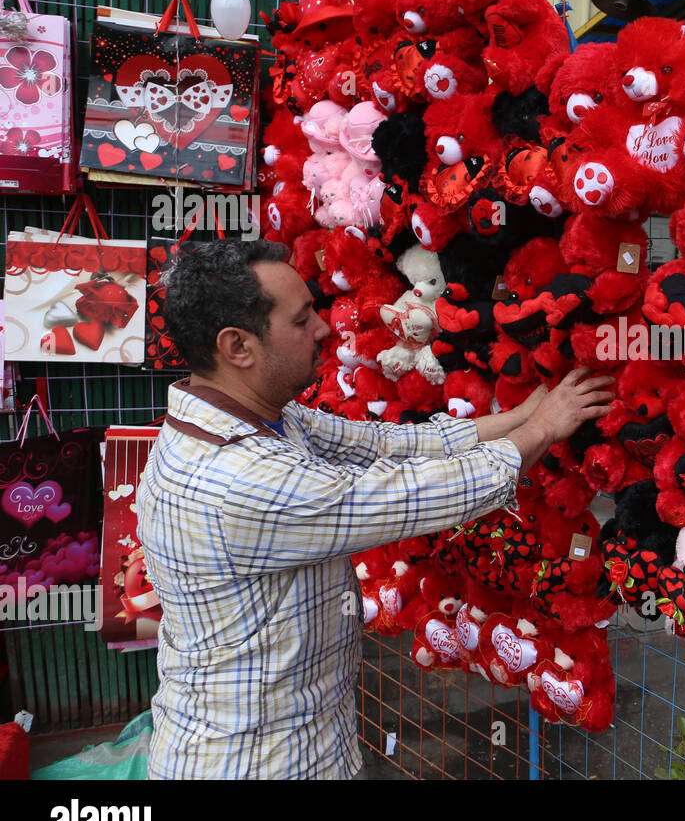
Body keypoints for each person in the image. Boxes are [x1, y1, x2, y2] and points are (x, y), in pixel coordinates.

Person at [136, 240, 612, 779]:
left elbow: (386, 445)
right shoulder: (234, 479)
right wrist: (542, 430)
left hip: (311, 747)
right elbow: (405, 496)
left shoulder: (266, 420)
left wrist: (522, 415)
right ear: (237, 347)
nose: (323, 329)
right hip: (252, 765)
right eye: (301, 320)